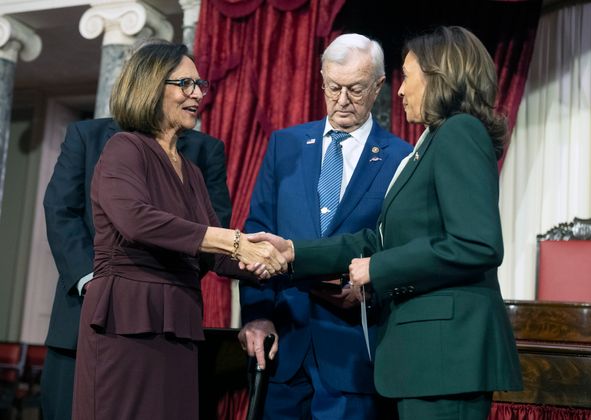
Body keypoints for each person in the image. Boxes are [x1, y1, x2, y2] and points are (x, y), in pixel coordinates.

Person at [247, 26, 523, 420]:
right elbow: (380, 238)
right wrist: (294, 251)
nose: (400, 91)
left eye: (408, 77)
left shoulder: (459, 132)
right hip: (425, 361)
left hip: (445, 359)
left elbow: (478, 244)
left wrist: (377, 270)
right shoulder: (432, 142)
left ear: (437, 78)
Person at [70, 41, 285, 420]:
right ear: (151, 86)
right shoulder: (125, 148)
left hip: (180, 324)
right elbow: (137, 219)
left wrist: (280, 257)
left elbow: (215, 254)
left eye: (199, 84)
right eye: (185, 83)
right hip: (127, 321)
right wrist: (235, 241)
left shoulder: (193, 171)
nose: (198, 93)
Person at [238, 33, 412, 419]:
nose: (342, 100)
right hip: (284, 344)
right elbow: (256, 234)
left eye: (355, 89)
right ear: (321, 80)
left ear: (379, 86)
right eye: (333, 87)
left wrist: (374, 291)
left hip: (354, 352)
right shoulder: (285, 146)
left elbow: (402, 249)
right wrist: (257, 313)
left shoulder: (402, 158)